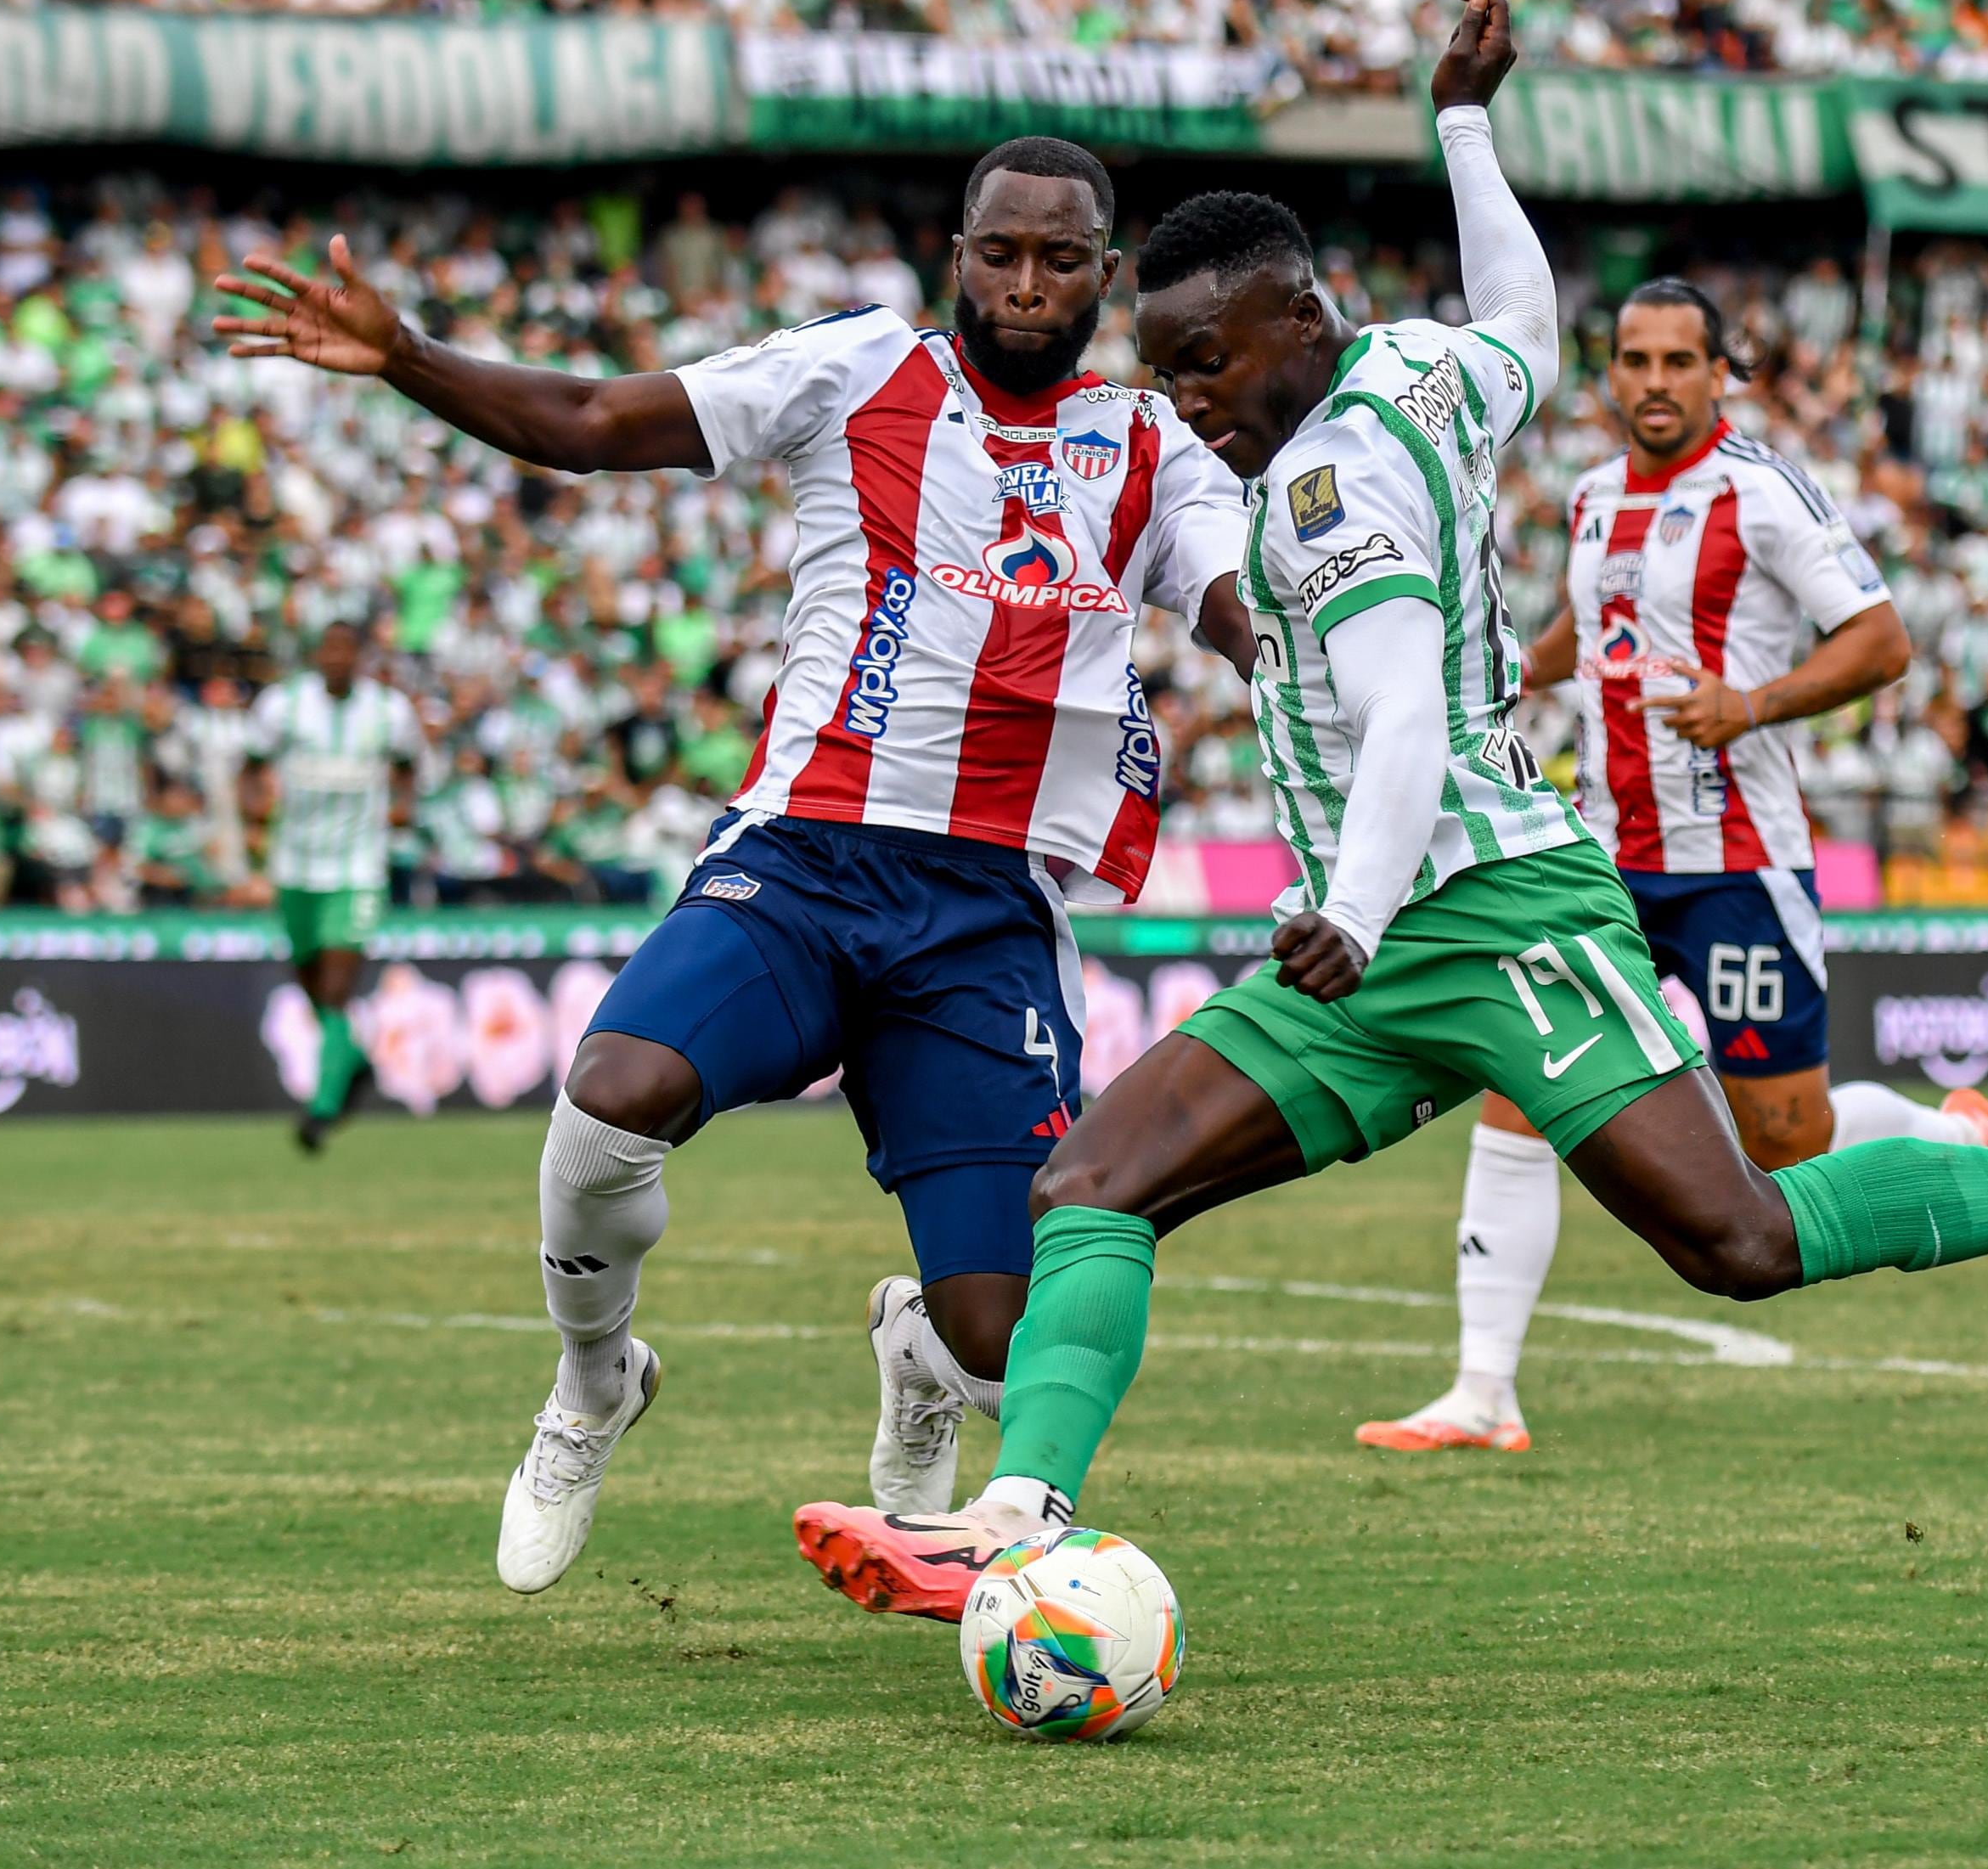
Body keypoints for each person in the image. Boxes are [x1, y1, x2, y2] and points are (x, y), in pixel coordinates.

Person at [791, 0, 1988, 1621]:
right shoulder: (1425, 365)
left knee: (1738, 1236)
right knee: (1095, 1181)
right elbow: (1524, 311)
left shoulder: (1324, 490)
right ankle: (1016, 1518)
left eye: (1209, 363)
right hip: (1374, 938)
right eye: (1165, 371)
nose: (1186, 403)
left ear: (1300, 318)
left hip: (1488, 909)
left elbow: (1397, 715)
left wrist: (1353, 910)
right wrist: (1464, 125)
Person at [214, 140, 1253, 1593]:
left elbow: (1235, 601)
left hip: (987, 915)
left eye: (1062, 259)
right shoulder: (859, 368)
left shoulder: (1151, 443)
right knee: (612, 1097)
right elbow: (593, 419)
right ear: (957, 256)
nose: (1028, 283)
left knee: (1006, 1354)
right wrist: (407, 356)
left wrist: (1309, 652)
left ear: (1108, 276)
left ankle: (919, 1349)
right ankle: (593, 1381)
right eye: (1002, 252)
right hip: (805, 862)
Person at [1355, 276, 1988, 1461]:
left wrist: (1749, 703)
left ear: (1722, 373)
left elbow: (1880, 640)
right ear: (1611, 372)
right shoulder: (1592, 496)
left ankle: (1952, 1138)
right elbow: (1583, 630)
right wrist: (1504, 676)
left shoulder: (1761, 491)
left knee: (1784, 1141)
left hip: (1736, 866)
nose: (1654, 381)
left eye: (1678, 360)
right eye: (1635, 359)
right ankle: (1482, 1391)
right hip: (1594, 861)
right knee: (1521, 1089)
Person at [245, 621, 420, 1152]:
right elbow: (250, 765)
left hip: (357, 868)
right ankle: (356, 1063)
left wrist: (403, 807)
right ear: (317, 654)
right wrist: (252, 809)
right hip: (295, 865)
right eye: (329, 649)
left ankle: (322, 1109)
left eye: (347, 650)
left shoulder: (388, 710)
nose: (337, 658)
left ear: (360, 657)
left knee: (338, 989)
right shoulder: (282, 706)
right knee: (313, 987)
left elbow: (409, 766)